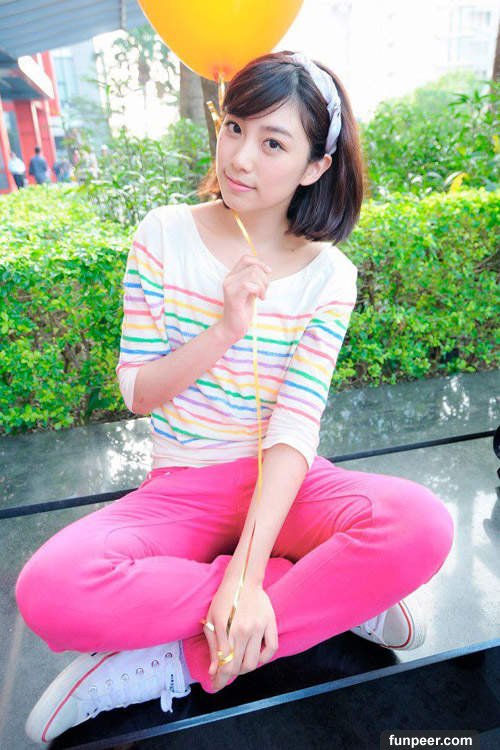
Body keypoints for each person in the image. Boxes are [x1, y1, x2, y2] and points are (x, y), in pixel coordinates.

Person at [16, 50, 454, 744]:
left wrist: (246, 580)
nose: (240, 158)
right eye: (234, 128)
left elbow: (295, 424)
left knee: (422, 524)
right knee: (49, 590)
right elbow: (138, 393)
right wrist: (225, 329)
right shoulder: (163, 233)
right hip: (182, 488)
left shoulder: (329, 276)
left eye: (273, 143)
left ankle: (170, 664)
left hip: (285, 488)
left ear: (315, 166)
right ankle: (325, 591)